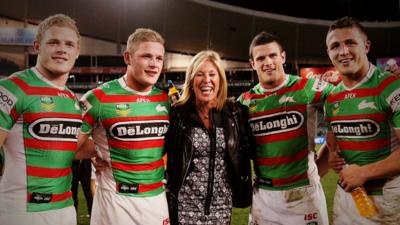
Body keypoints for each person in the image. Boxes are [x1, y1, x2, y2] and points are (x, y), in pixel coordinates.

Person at [76, 28, 170, 225]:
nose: (154, 64)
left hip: (157, 200)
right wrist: (99, 150)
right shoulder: (97, 98)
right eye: (146, 56)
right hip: (115, 200)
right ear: (128, 57)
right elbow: (68, 146)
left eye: (159, 58)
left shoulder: (165, 100)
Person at [238, 31, 333, 225]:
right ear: (253, 64)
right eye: (261, 58)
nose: (268, 62)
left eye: (273, 55)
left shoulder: (307, 87)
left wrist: (330, 152)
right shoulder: (245, 102)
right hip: (263, 196)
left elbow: (346, 99)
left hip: (304, 196)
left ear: (283, 57)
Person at [0, 14, 81, 225]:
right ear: (37, 46)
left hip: (65, 209)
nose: (62, 49)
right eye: (53, 42)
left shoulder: (72, 99)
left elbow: (69, 148)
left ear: (77, 52)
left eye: (69, 44)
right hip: (20, 211)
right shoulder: (12, 88)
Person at [325, 16, 400, 225]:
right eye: (335, 46)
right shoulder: (331, 99)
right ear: (329, 53)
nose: (343, 51)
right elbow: (333, 144)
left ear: (366, 46)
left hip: (389, 199)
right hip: (348, 197)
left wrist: (365, 172)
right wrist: (331, 156)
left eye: (350, 43)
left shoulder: (392, 87)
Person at [165, 50, 253, 225]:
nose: (207, 80)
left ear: (220, 80)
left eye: (212, 74)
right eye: (200, 74)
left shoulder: (234, 113)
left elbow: (252, 150)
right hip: (184, 208)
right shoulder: (177, 114)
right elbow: (158, 150)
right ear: (191, 80)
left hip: (221, 208)